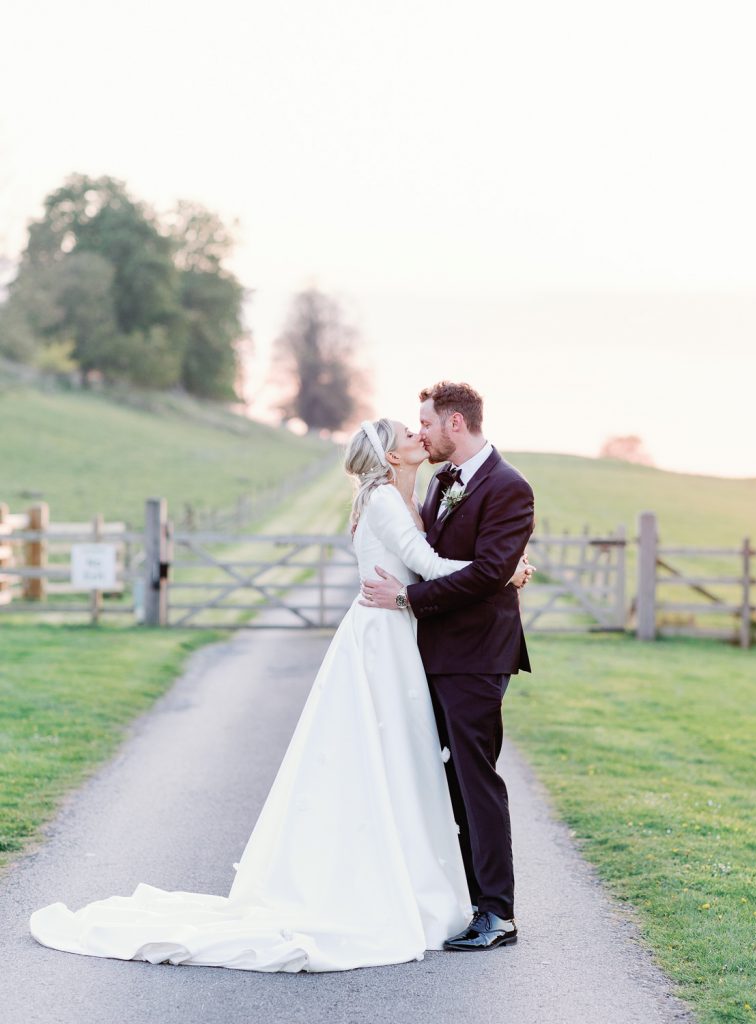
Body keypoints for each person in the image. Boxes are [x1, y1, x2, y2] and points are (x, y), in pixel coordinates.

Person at [31, 418, 501, 973]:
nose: (419, 436)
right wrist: (502, 573)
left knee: (398, 757)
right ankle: (386, 885)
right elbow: (424, 568)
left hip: (392, 632)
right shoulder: (384, 504)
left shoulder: (399, 497)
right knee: (385, 756)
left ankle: (410, 874)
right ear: (392, 457)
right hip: (381, 638)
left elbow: (418, 567)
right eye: (407, 433)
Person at [360, 382, 535, 952]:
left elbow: (486, 573)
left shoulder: (509, 487)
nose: (422, 433)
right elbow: (435, 556)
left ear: (455, 423)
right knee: (445, 780)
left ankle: (497, 913)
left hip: (478, 655)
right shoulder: (440, 482)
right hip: (432, 654)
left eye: (426, 423)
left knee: (475, 779)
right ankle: (463, 898)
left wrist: (410, 601)